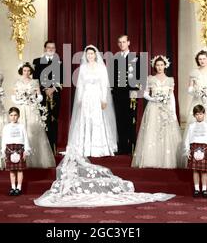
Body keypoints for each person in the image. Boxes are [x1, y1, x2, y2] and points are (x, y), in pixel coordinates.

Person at [34, 45, 175, 207]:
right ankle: (85, 145)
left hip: (97, 97)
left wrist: (103, 99)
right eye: (88, 54)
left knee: (97, 122)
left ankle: (98, 146)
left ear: (96, 55)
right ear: (86, 56)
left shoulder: (101, 68)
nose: (90, 56)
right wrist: (79, 99)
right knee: (85, 121)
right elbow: (80, 85)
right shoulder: (83, 69)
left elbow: (104, 86)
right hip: (86, 97)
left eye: (92, 53)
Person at [131, 55, 182, 168]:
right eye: (157, 65)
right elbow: (144, 93)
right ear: (155, 66)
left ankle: (167, 160)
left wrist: (173, 112)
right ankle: (152, 160)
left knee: (166, 133)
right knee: (152, 132)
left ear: (165, 66)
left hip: (166, 109)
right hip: (153, 107)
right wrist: (153, 99)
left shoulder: (170, 80)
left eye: (161, 65)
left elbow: (171, 96)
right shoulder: (150, 79)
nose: (159, 67)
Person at [11, 62, 56, 168]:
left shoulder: (35, 82)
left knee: (34, 131)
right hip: (22, 109)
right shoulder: (17, 82)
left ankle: (36, 159)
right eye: (24, 70)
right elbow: (13, 97)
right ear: (21, 71)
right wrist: (21, 101)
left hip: (32, 108)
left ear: (31, 71)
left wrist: (33, 100)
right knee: (22, 131)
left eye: (28, 71)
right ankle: (20, 159)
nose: (26, 73)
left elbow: (40, 96)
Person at [112, 35, 141, 155]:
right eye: (120, 42)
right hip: (118, 94)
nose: (122, 44)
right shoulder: (115, 58)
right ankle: (122, 146)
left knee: (131, 120)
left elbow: (139, 76)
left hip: (131, 93)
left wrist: (136, 90)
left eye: (124, 42)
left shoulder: (136, 58)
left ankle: (131, 147)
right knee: (120, 120)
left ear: (128, 42)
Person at [33, 41, 63, 154]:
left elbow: (63, 80)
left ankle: (53, 148)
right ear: (45, 48)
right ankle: (43, 150)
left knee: (53, 121)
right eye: (48, 47)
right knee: (43, 121)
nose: (51, 49)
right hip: (42, 95)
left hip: (55, 95)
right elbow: (35, 79)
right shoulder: (37, 62)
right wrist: (45, 89)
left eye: (53, 47)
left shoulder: (59, 63)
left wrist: (53, 89)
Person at [184, 104, 207, 198]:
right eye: (197, 114)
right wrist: (187, 150)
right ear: (194, 115)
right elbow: (188, 139)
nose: (199, 116)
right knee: (195, 171)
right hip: (194, 148)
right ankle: (197, 189)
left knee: (204, 171)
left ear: (204, 114)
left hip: (205, 148)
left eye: (201, 114)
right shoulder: (191, 126)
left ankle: (204, 189)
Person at [1, 107, 31, 196]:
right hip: (9, 149)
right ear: (9, 116)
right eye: (11, 115)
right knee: (12, 171)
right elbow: (4, 140)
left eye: (15, 115)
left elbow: (26, 139)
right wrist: (3, 151)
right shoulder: (6, 127)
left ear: (18, 116)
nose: (13, 117)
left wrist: (26, 150)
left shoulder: (22, 126)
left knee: (20, 170)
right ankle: (13, 187)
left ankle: (19, 188)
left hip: (20, 148)